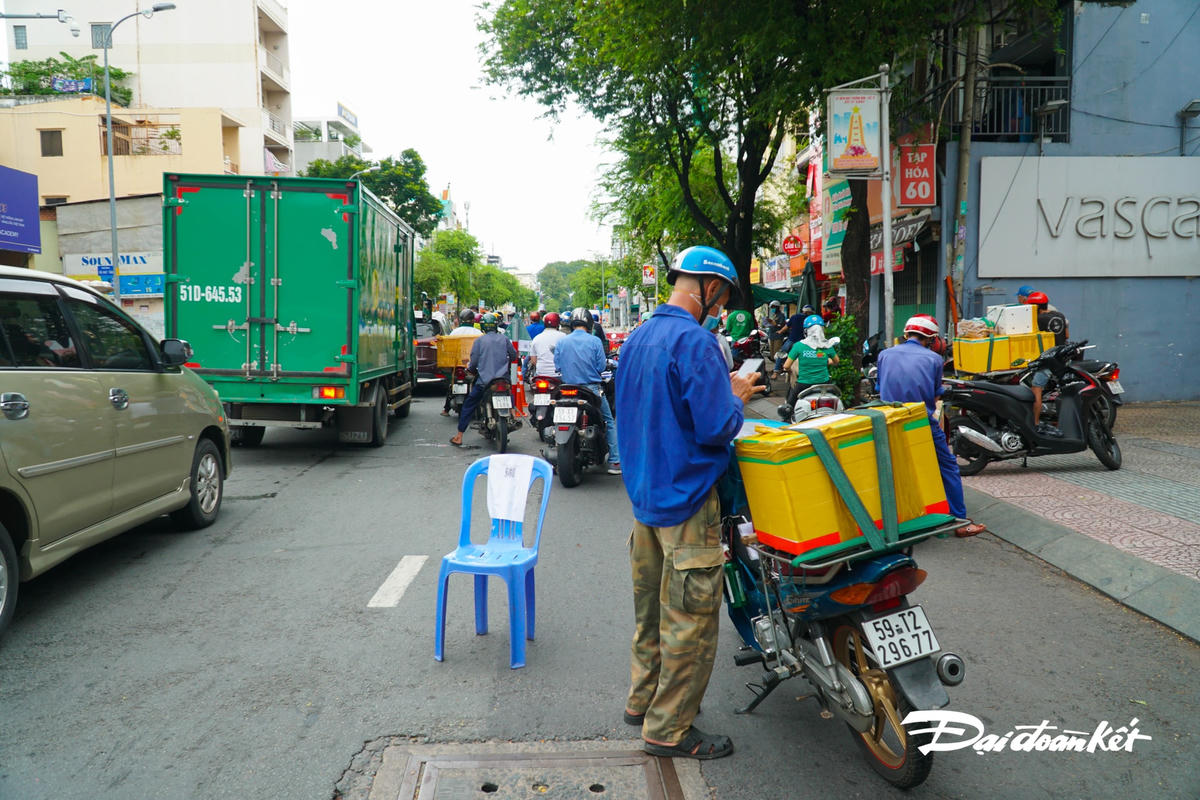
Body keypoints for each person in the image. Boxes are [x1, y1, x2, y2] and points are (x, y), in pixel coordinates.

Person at [615, 245, 764, 761]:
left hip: (645, 501)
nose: (721, 305)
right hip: (686, 501)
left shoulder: (637, 338)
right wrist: (737, 394)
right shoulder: (696, 342)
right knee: (690, 622)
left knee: (652, 613)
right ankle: (669, 730)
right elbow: (716, 426)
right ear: (712, 289)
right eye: (722, 296)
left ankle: (642, 701)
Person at [876, 314, 987, 537]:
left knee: (893, 471)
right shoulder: (934, 360)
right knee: (948, 467)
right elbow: (935, 393)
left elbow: (880, 386)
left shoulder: (884, 354)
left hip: (887, 422)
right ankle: (960, 522)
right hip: (920, 421)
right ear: (932, 339)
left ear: (906, 334)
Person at [556, 307, 621, 474]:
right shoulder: (594, 341)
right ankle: (614, 461)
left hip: (566, 389)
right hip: (591, 390)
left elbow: (557, 366)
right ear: (589, 324)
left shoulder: (562, 341)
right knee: (609, 422)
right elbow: (600, 366)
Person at [450, 313, 516, 446]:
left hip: (485, 382)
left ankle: (459, 435)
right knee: (509, 394)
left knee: (469, 404)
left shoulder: (479, 341)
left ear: (483, 326)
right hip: (503, 380)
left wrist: (471, 370)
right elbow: (514, 356)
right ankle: (513, 414)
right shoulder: (504, 339)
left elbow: (473, 362)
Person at [1026, 291, 1069, 433]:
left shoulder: (1038, 319)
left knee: (1036, 390)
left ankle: (1035, 423)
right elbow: (1067, 335)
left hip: (1048, 361)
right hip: (1063, 359)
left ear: (1036, 307)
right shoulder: (1060, 316)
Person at [781, 314, 839, 411]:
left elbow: (786, 366)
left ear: (806, 330)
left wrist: (787, 369)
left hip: (803, 384)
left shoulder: (798, 346)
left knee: (789, 408)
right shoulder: (827, 345)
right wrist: (824, 361)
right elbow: (836, 361)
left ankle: (787, 420)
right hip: (824, 384)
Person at [441, 309, 485, 416]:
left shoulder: (455, 332)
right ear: (473, 320)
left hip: (457, 364)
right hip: (473, 365)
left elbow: (447, 349)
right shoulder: (478, 333)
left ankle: (446, 410)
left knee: (451, 384)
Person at [528, 311, 566, 377]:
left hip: (541, 374)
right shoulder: (564, 337)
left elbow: (533, 361)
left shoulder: (537, 338)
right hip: (559, 375)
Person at [767, 301, 787, 376]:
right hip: (771, 335)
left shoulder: (781, 315)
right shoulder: (773, 315)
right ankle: (776, 368)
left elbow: (781, 325)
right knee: (772, 354)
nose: (772, 309)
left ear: (777, 307)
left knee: (777, 353)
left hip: (778, 336)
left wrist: (774, 323)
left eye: (773, 307)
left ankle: (778, 369)